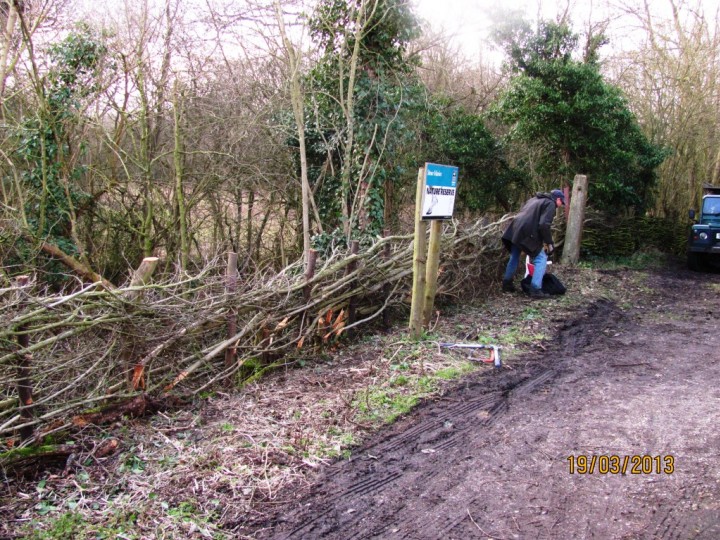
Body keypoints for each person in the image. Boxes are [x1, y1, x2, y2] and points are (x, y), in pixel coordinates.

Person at [501, 189, 565, 299]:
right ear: (558, 199)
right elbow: (544, 225)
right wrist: (549, 242)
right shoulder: (550, 204)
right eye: (561, 203)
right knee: (541, 258)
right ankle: (535, 289)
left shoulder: (534, 199)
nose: (561, 205)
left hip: (514, 230)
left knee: (514, 256)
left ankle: (507, 284)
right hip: (527, 233)